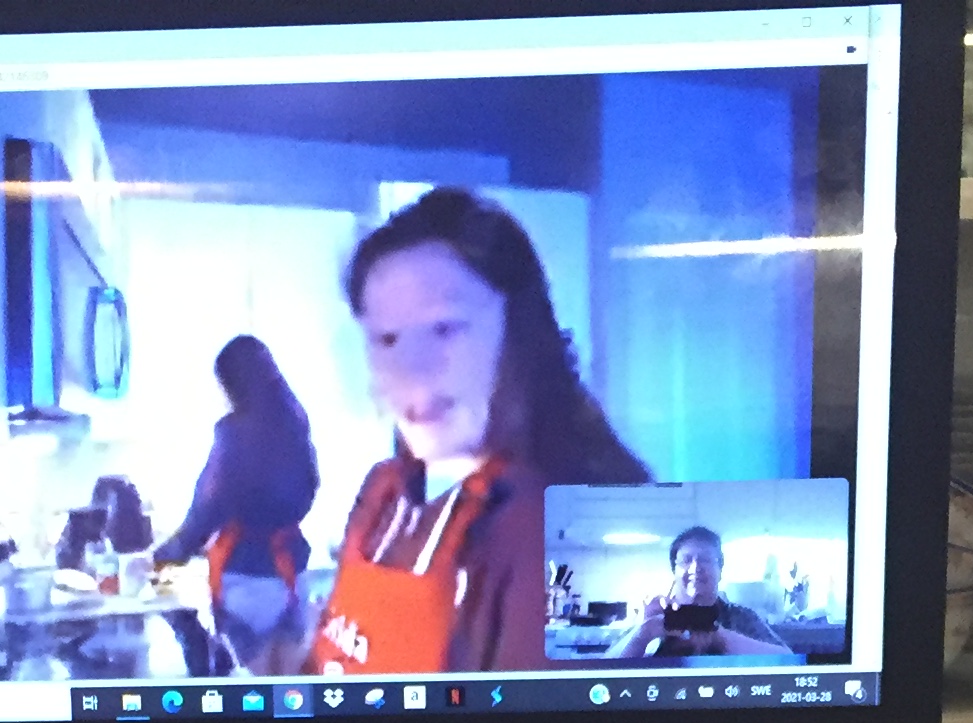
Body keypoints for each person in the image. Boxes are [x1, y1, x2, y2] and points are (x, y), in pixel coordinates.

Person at [308, 186, 649, 678]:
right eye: (387, 339)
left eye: (444, 329)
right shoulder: (384, 495)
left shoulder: (585, 536)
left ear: (521, 331)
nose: (412, 370)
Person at [151, 336, 322, 675]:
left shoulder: (234, 433)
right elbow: (310, 487)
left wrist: (164, 556)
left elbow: (207, 510)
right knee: (290, 691)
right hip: (292, 572)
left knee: (252, 692)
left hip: (246, 581)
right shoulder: (295, 423)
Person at [610, 525, 794, 662]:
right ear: (674, 571)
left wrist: (719, 638)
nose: (695, 568)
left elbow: (788, 661)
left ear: (720, 571)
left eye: (705, 559)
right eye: (686, 560)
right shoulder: (654, 615)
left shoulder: (742, 617)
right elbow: (603, 670)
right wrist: (643, 633)